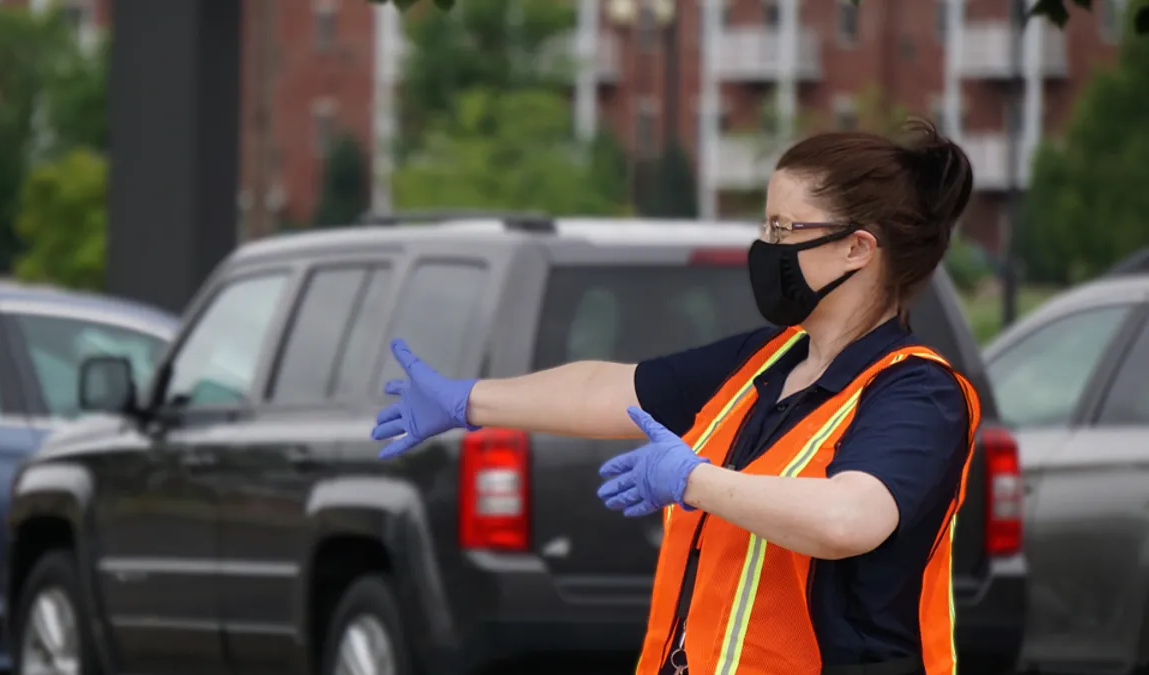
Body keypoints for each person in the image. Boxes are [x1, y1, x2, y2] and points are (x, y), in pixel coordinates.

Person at [372, 118, 978, 675]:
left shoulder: (919, 393)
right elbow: (609, 388)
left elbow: (848, 519)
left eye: (782, 229)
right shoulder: (764, 361)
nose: (765, 247)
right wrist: (468, 402)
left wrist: (696, 481)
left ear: (857, 248)